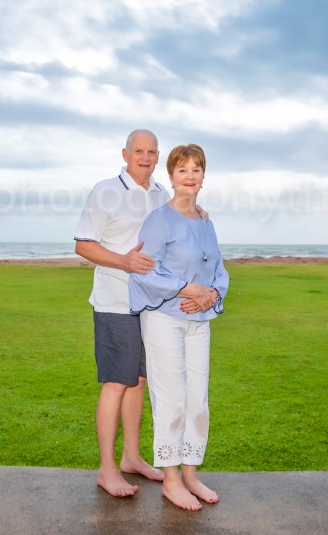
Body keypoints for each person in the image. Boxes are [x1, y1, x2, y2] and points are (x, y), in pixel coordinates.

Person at [129, 143, 228, 511]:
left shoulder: (205, 220)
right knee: (170, 400)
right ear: (171, 176)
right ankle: (170, 480)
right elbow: (145, 269)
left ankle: (190, 474)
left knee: (197, 401)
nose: (190, 176)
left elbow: (219, 268)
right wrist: (188, 289)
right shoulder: (159, 220)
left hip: (200, 321)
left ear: (204, 176)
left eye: (196, 170)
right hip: (164, 320)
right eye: (183, 170)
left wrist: (212, 293)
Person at [74, 129, 168, 497]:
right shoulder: (105, 190)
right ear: (126, 153)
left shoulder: (162, 194)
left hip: (151, 305)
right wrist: (125, 262)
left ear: (157, 156)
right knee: (116, 382)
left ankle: (131, 458)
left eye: (151, 151)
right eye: (138, 151)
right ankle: (107, 470)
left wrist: (196, 211)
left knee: (139, 381)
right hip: (115, 302)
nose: (145, 157)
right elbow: (84, 245)